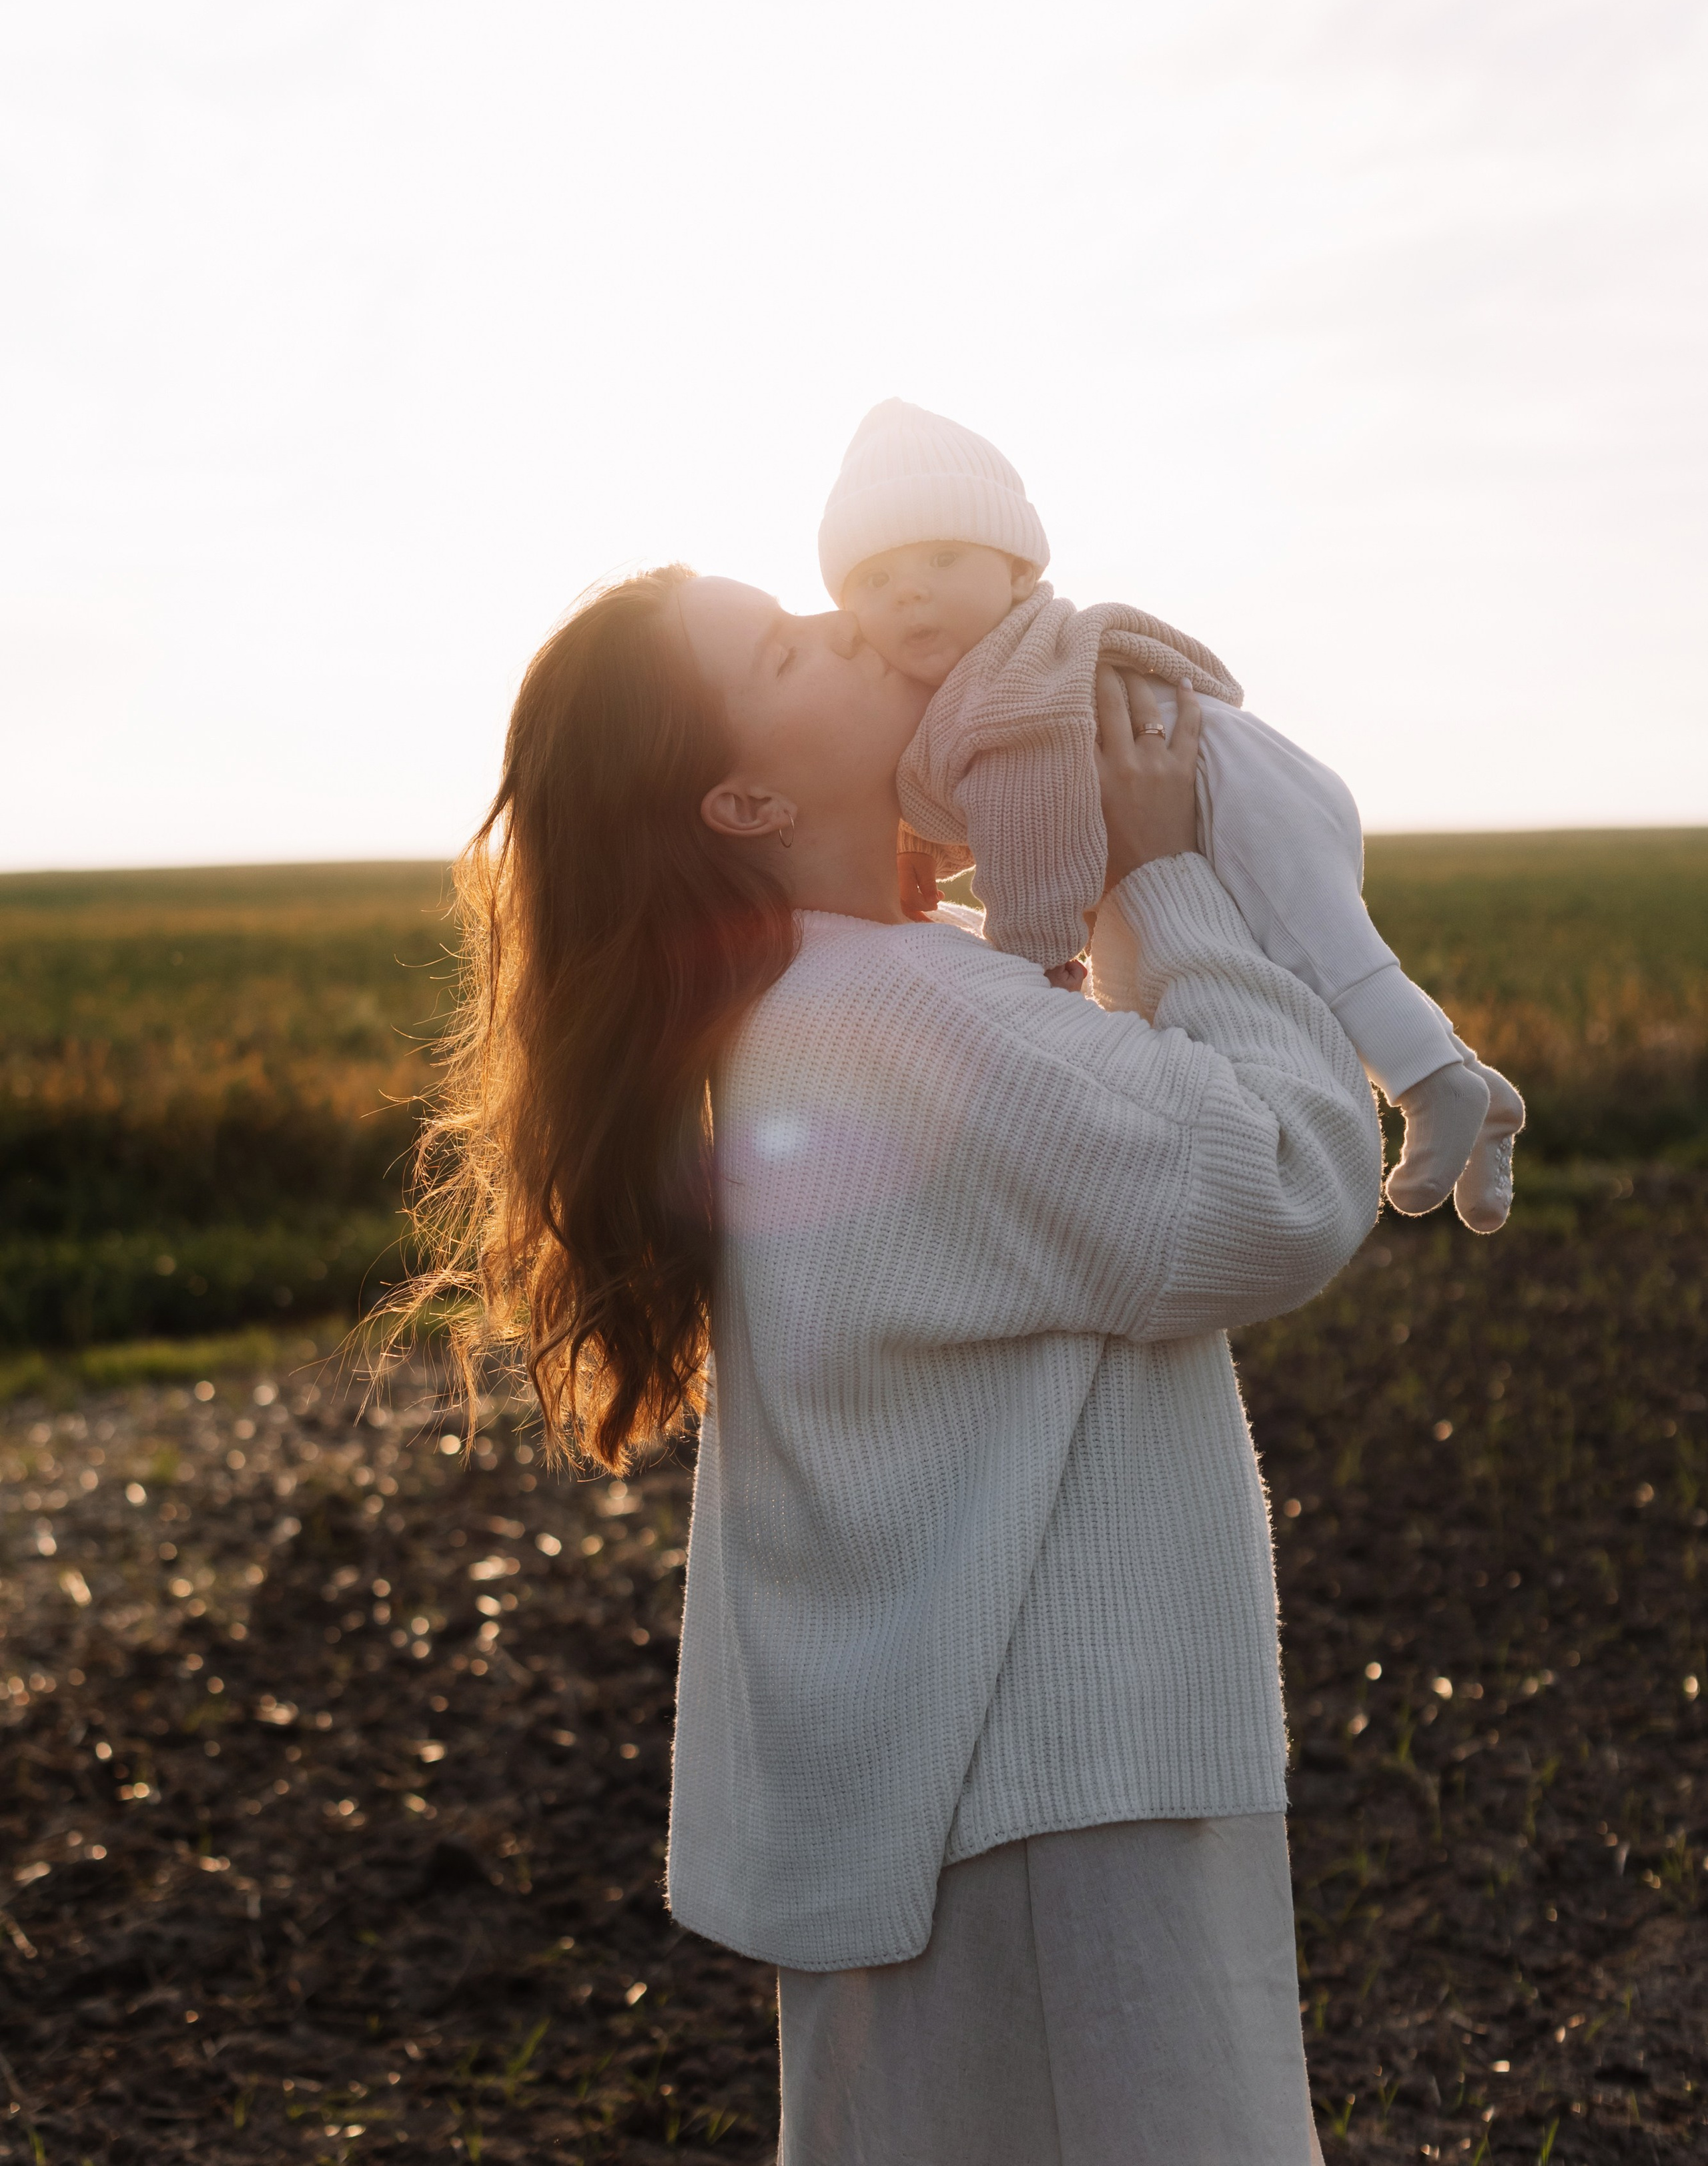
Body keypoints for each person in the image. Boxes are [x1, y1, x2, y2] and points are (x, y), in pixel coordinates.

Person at [412, 561, 1382, 2165]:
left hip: (971, 1796)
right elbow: (1278, 1179)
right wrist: (1162, 876)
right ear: (741, 791)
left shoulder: (823, 1000)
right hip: (1057, 1800)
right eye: (791, 651)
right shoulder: (887, 1012)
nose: (855, 624)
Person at [821, 396, 1525, 1234]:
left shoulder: (1003, 688)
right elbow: (974, 802)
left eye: (941, 557)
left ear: (1017, 573)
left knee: (1323, 952)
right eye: (874, 579)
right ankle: (1474, 1090)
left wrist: (1035, 963)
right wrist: (916, 844)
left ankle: (1427, 1083)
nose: (908, 593)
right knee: (1304, 963)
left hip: (1229, 786)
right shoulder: (993, 680)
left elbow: (1028, 832)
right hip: (1224, 779)